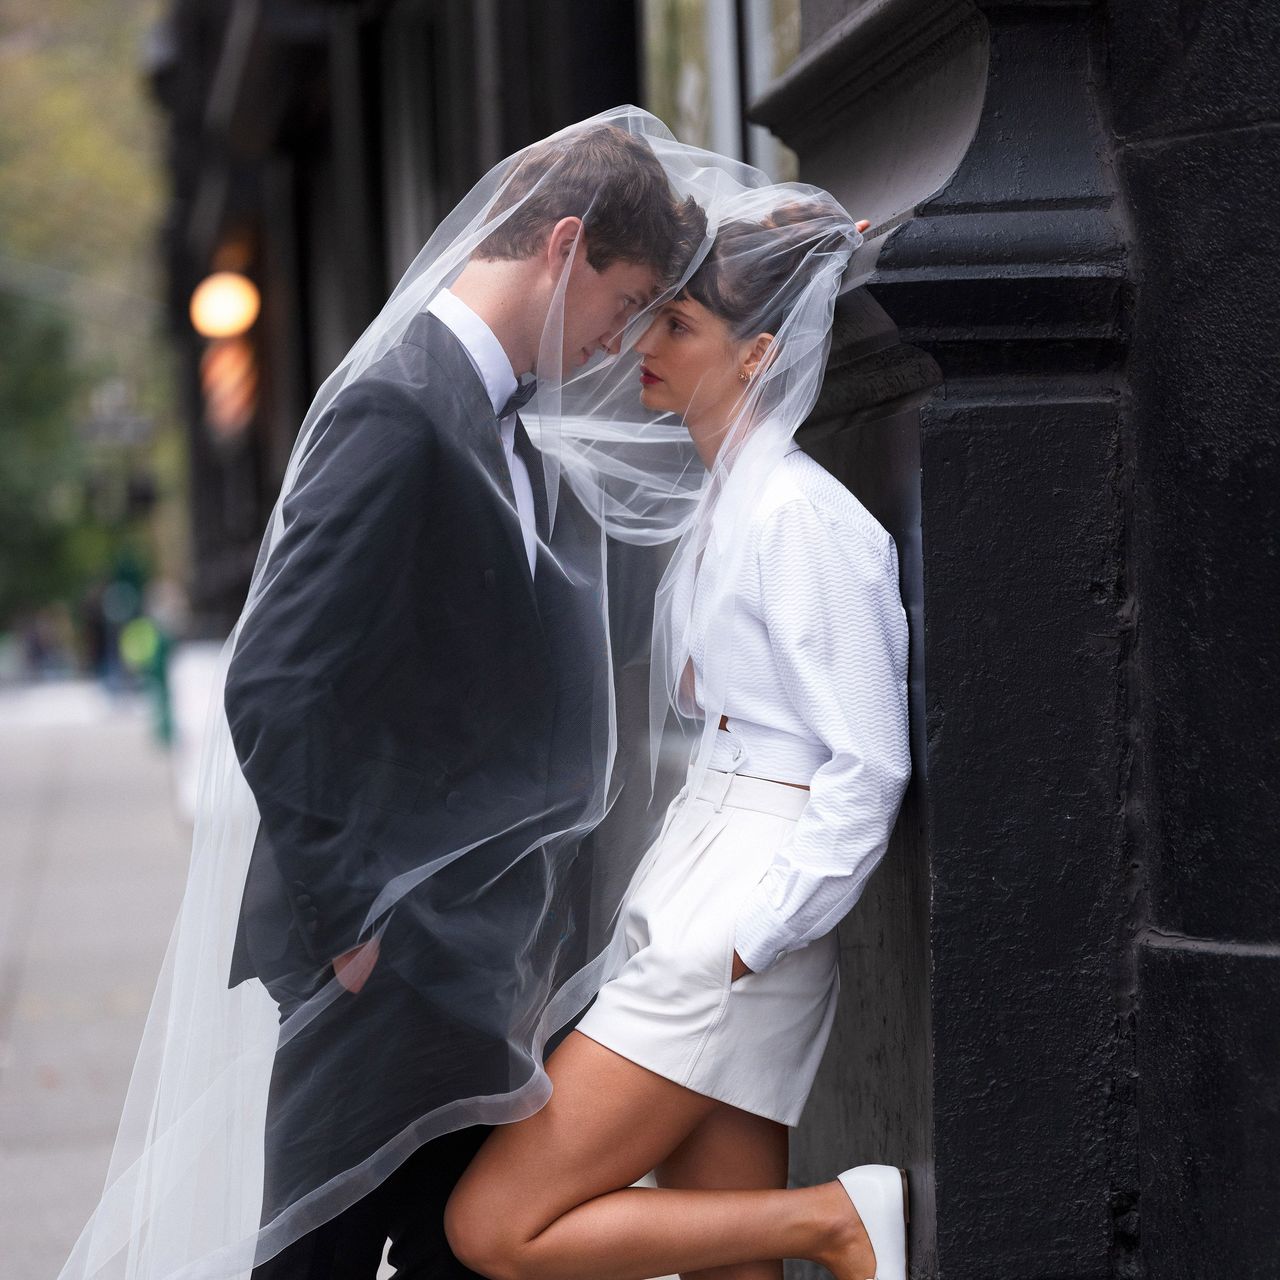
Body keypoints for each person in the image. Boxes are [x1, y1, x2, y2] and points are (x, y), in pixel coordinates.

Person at [57, 109, 710, 1280]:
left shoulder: (515, 424)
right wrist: (353, 922)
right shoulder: (398, 409)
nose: (620, 342)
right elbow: (275, 681)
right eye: (622, 305)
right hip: (388, 964)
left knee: (477, 1254)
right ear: (562, 246)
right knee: (322, 1258)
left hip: (479, 959)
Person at [441, 194, 914, 1280]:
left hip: (744, 905)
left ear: (754, 354)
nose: (643, 344)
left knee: (494, 1225)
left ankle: (834, 1218)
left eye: (678, 326)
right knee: (723, 1262)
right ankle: (813, 1223)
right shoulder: (725, 506)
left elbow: (868, 762)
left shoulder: (800, 517)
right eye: (649, 317)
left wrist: (754, 934)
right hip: (704, 881)